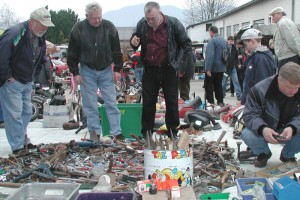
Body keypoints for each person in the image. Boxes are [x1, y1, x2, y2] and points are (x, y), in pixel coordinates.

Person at [130, 1, 192, 137]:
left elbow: (186, 45)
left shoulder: (173, 24)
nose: (150, 21)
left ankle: (172, 132)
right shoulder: (142, 23)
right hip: (150, 69)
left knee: (171, 102)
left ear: (160, 13)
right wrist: (133, 42)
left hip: (169, 68)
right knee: (148, 103)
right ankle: (146, 133)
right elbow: (135, 40)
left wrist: (180, 65)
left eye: (153, 18)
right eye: (148, 19)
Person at [0, 7, 55, 154]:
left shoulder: (39, 36)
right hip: (13, 81)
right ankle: (17, 146)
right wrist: (7, 76)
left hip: (26, 80)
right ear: (32, 22)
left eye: (46, 25)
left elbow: (40, 57)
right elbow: (2, 55)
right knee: (14, 114)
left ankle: (23, 139)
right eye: (42, 24)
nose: (44, 28)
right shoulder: (15, 33)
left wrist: (34, 76)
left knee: (25, 112)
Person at [67, 2, 124, 141]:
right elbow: (72, 53)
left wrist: (117, 69)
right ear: (87, 16)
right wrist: (75, 73)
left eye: (99, 17)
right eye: (94, 18)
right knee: (90, 104)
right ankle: (94, 132)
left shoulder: (110, 27)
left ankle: (116, 132)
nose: (97, 20)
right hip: (87, 70)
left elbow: (117, 50)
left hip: (106, 70)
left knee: (111, 102)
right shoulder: (78, 29)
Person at [240, 62, 300, 167]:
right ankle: (264, 153)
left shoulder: (297, 89)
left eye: (297, 87)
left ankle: (287, 155)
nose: (294, 91)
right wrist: (263, 128)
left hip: (288, 130)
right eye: (290, 87)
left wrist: (292, 127)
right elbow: (250, 115)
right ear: (279, 80)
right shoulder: (259, 90)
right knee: (246, 134)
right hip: (266, 129)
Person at [239, 28, 276, 105]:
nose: (245, 48)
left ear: (252, 41)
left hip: (255, 103)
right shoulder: (257, 56)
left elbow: (262, 82)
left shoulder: (260, 58)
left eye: (245, 44)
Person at [204, 26, 227, 106]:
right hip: (221, 67)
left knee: (208, 85)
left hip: (213, 67)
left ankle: (211, 102)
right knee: (218, 85)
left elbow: (210, 55)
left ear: (212, 32)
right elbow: (227, 54)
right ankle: (220, 101)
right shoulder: (224, 40)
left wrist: (208, 69)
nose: (209, 34)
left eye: (209, 32)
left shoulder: (212, 40)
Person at [222, 36, 242, 100]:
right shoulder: (224, 47)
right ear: (227, 41)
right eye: (230, 41)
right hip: (225, 69)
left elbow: (236, 58)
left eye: (232, 41)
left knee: (236, 81)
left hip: (233, 68)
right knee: (224, 83)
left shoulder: (234, 48)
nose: (231, 42)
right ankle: (222, 94)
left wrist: (236, 64)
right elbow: (223, 58)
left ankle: (239, 95)